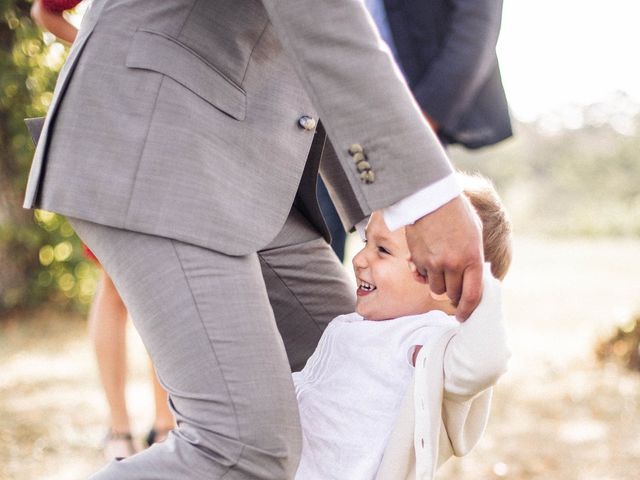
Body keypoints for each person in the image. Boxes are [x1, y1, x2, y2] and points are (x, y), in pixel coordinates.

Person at [23, 1, 485, 478]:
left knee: (367, 380)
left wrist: (386, 220)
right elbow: (323, 21)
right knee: (244, 447)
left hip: (249, 167)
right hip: (163, 142)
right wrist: (428, 197)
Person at [30, 0, 175, 460]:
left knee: (165, 274)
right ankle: (119, 428)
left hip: (175, 119)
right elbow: (44, 11)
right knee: (115, 277)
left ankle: (166, 423)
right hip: (109, 115)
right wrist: (104, 50)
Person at [294, 173, 512, 479]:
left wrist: (476, 277)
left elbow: (484, 364)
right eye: (366, 242)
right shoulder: (373, 322)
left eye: (382, 251)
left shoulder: (427, 341)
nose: (358, 259)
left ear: (444, 279)